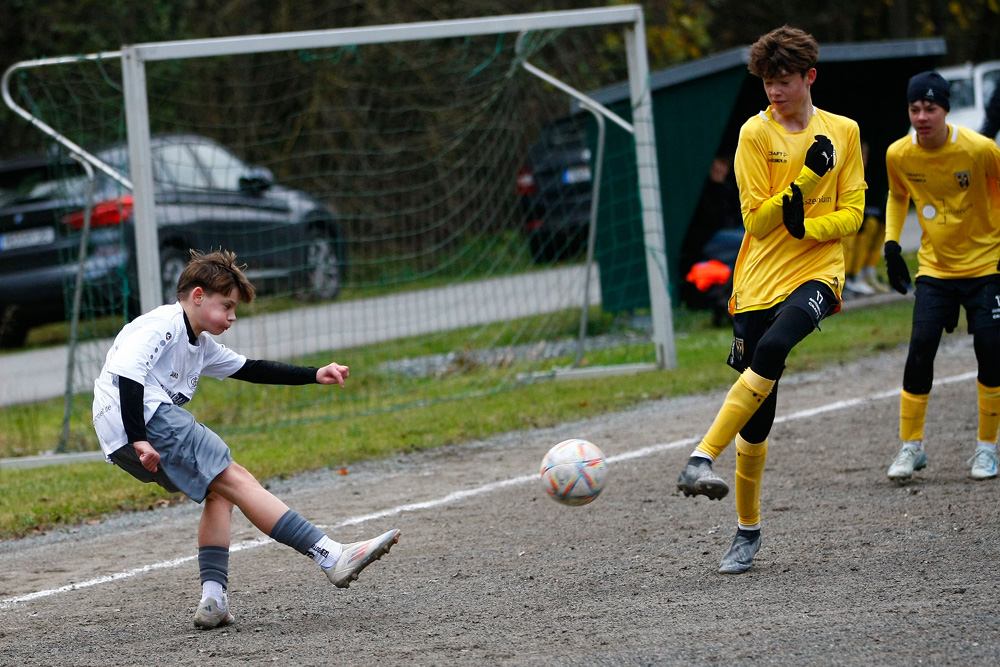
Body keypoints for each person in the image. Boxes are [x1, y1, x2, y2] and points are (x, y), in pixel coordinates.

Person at [91, 249, 400, 629]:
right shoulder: (165, 325)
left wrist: (313, 373)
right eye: (228, 306)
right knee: (236, 477)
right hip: (144, 422)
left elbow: (250, 368)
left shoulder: (199, 343)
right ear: (198, 296)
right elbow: (127, 373)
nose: (232, 317)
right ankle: (331, 555)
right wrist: (140, 437)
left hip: (120, 435)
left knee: (220, 490)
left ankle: (213, 600)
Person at [674, 25, 866, 574]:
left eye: (783, 81)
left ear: (809, 77)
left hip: (818, 272)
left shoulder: (844, 131)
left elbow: (853, 215)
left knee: (778, 346)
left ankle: (699, 457)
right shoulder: (754, 136)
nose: (774, 92)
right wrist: (808, 179)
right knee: (758, 422)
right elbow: (755, 219)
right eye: (766, 83)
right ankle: (747, 530)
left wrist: (807, 229)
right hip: (757, 281)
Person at [883, 71, 1000, 482]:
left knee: (990, 346)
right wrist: (892, 244)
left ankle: (987, 450)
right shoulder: (898, 154)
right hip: (936, 268)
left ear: (945, 110)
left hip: (987, 264)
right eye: (915, 108)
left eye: (930, 108)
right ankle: (910, 447)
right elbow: (897, 196)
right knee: (920, 348)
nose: (922, 116)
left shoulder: (978, 148)